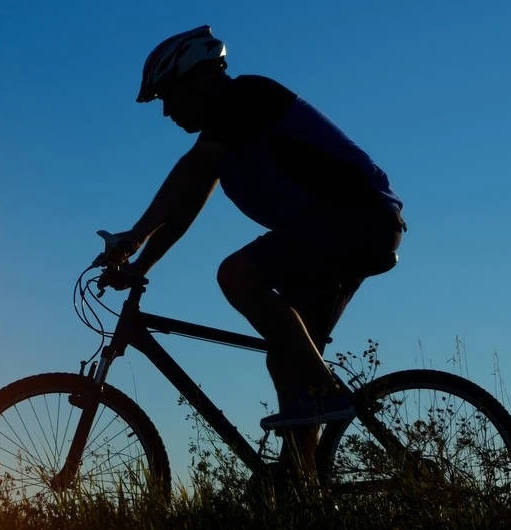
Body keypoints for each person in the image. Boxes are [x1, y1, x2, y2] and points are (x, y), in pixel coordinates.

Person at [99, 24, 405, 480]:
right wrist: (140, 265)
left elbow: (188, 172)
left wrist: (133, 236)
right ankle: (302, 492)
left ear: (198, 79)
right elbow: (182, 208)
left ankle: (325, 392)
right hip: (341, 230)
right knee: (288, 356)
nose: (166, 112)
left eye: (167, 96)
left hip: (357, 221)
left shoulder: (245, 98)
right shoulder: (225, 138)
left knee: (237, 274)